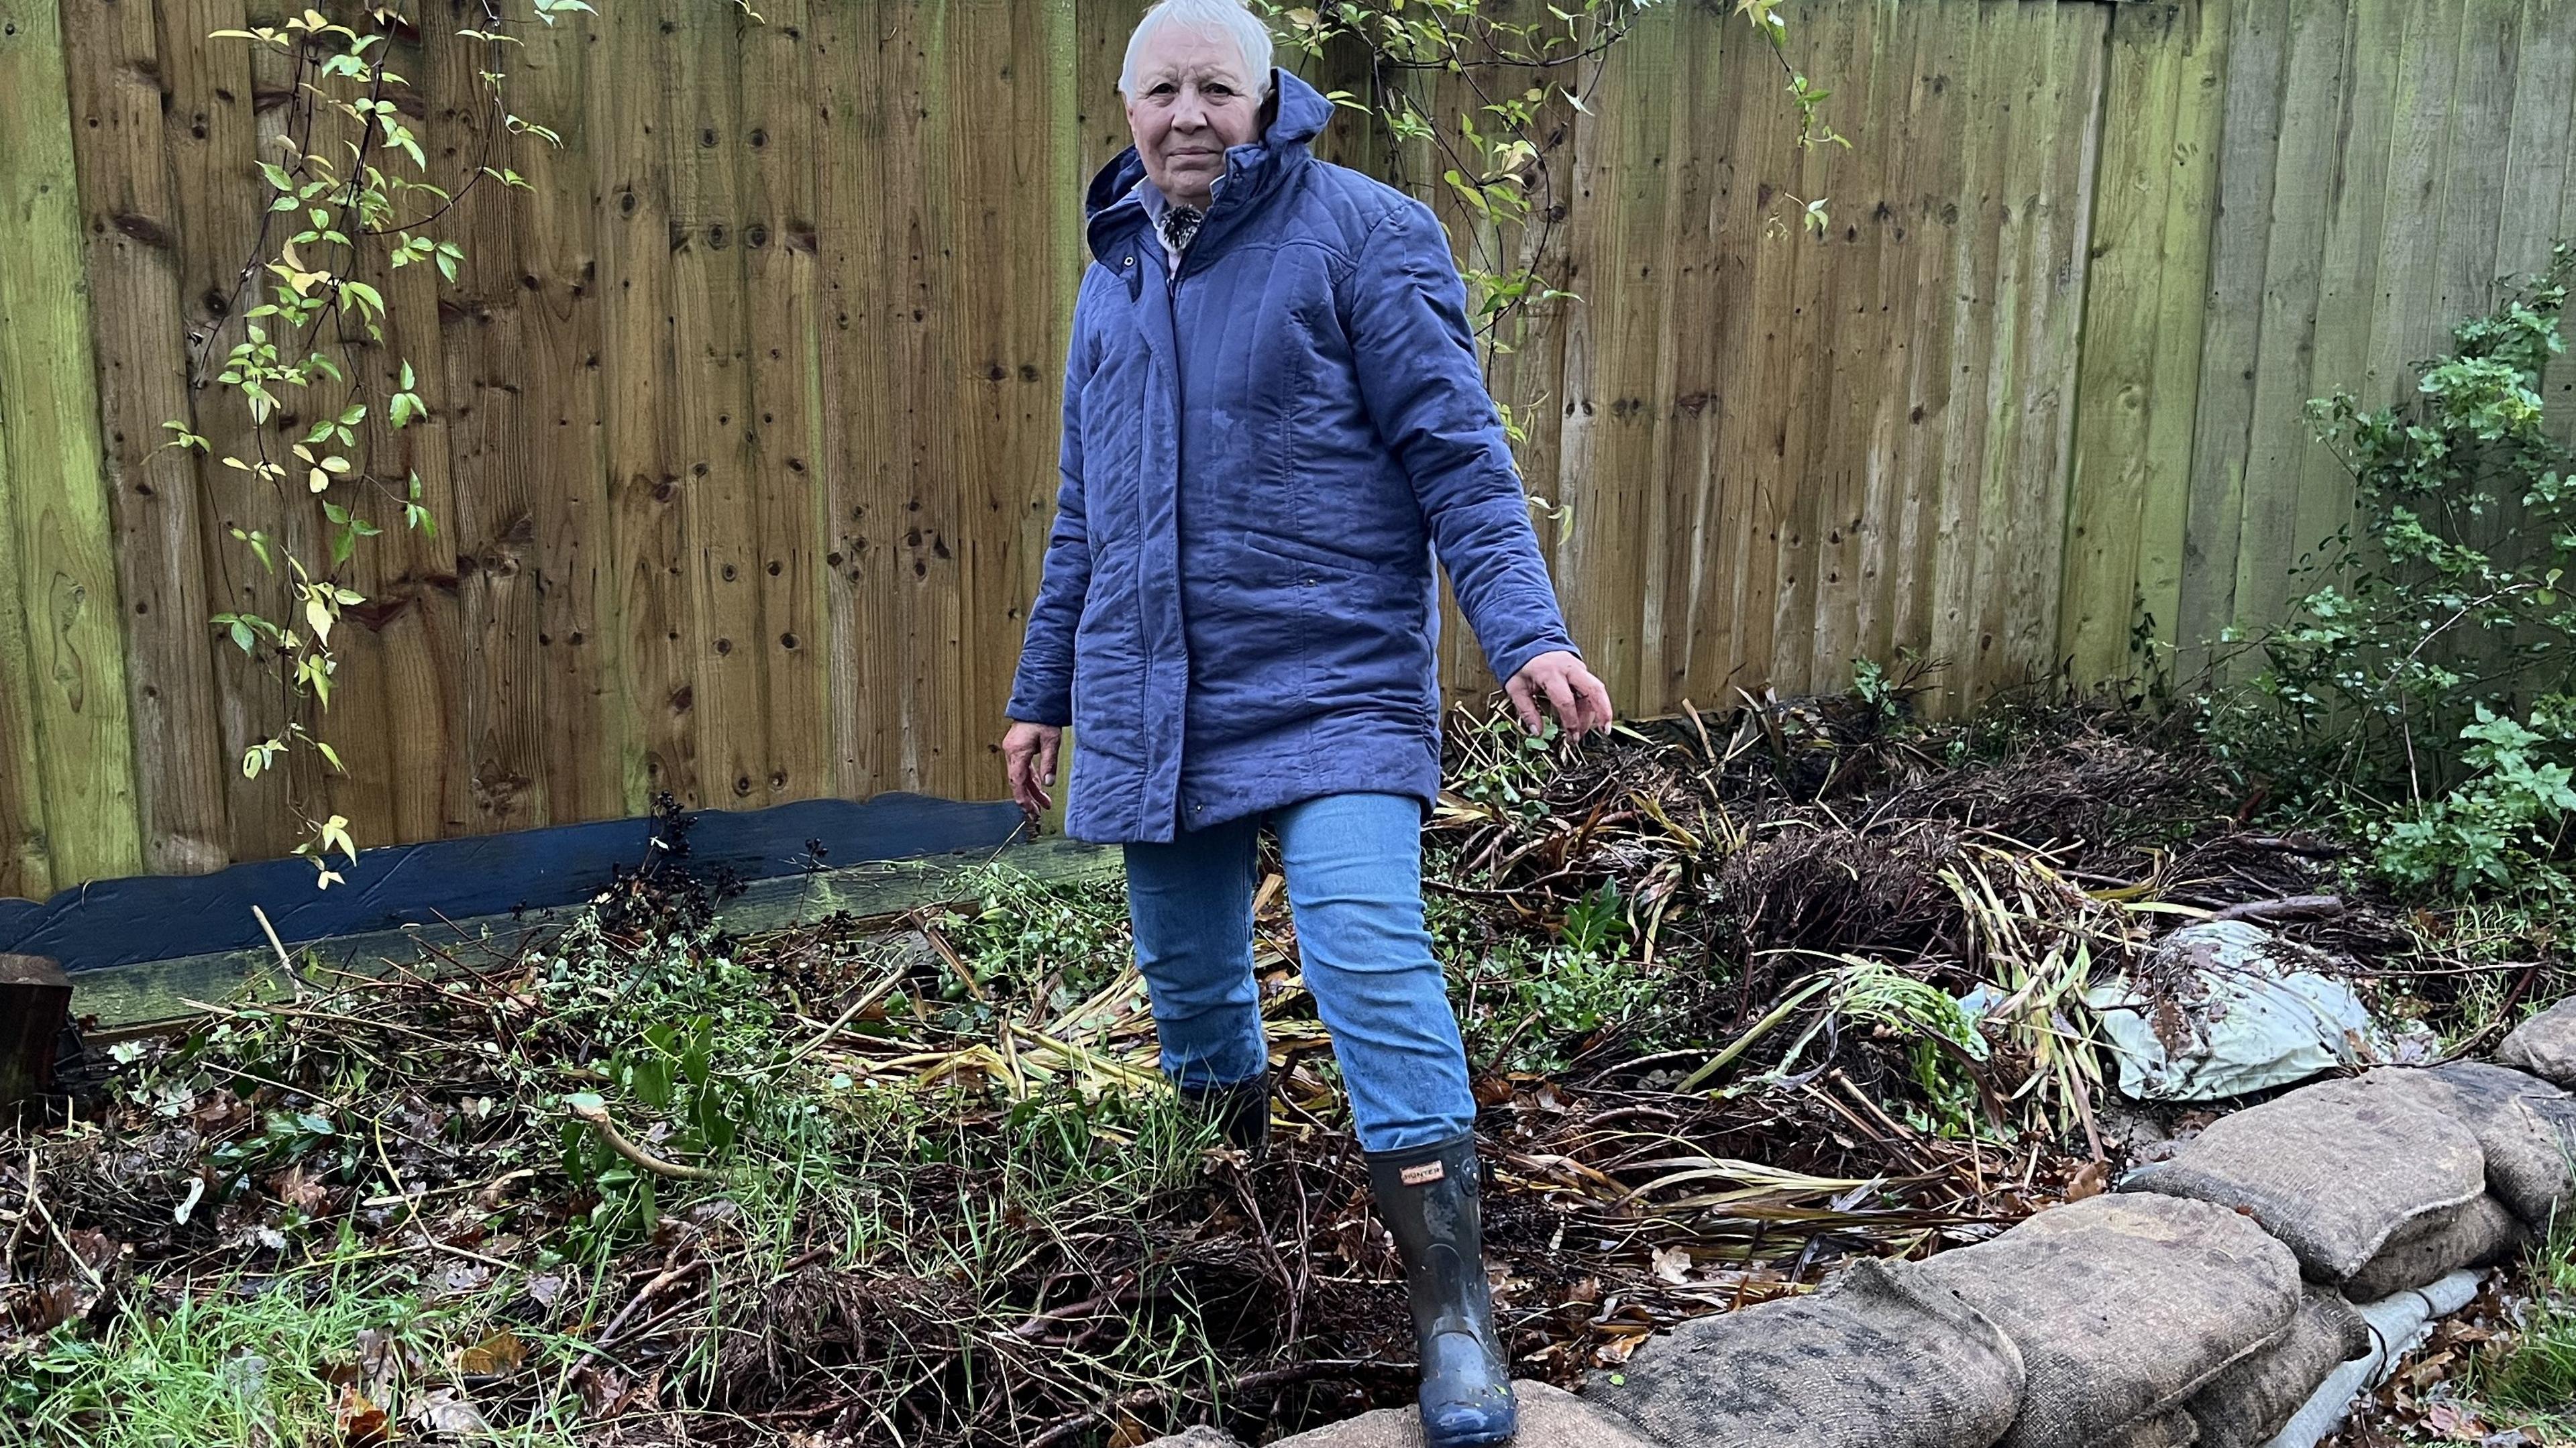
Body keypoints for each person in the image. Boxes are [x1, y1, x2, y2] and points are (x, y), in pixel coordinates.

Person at [998, 1, 1611, 1441]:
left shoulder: (1365, 233)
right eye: (1164, 91)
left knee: (1362, 941)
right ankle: (1237, 1247)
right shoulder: (1114, 270)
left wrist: (1523, 630)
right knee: (1194, 991)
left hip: (1330, 678)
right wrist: (1043, 698)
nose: (1189, 115)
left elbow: (1456, 448)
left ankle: (1454, 1315)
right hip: (1154, 692)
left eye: (1219, 88)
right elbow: (1085, 516)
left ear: (1271, 101)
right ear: (1129, 103)